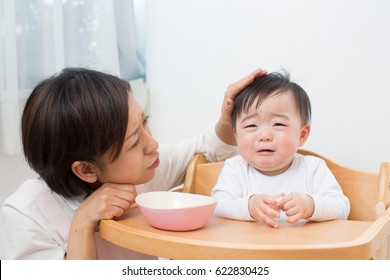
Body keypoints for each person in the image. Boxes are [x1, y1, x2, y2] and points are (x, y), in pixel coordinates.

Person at [0, 67, 267, 259]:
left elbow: (206, 148)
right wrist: (82, 224)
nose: (152, 144)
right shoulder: (24, 215)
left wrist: (227, 117)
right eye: (133, 143)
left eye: (145, 122)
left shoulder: (144, 173)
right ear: (87, 169)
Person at [211, 72, 350, 229]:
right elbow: (217, 207)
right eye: (251, 125)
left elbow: (342, 207)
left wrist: (311, 205)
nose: (264, 136)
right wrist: (248, 206)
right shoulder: (235, 169)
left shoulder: (313, 168)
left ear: (302, 135)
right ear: (236, 135)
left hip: (301, 250)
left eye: (278, 124)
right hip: (248, 251)